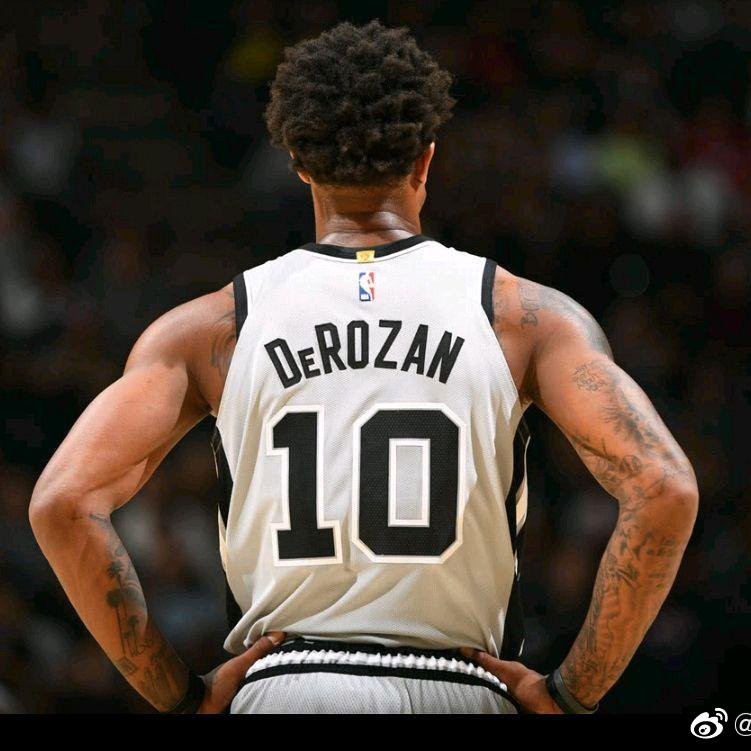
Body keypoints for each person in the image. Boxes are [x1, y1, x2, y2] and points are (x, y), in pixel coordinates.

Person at [29, 20, 698, 715]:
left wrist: (177, 694)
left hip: (285, 686)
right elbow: (664, 488)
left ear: (297, 161)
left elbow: (61, 504)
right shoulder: (525, 317)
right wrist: (572, 691)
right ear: (426, 161)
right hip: (460, 688)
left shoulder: (210, 329)